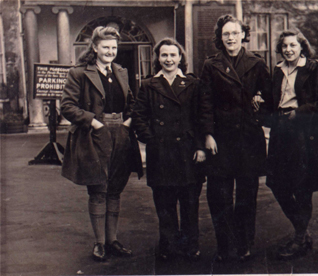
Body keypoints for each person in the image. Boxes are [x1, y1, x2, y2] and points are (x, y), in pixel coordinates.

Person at [61, 26, 143, 261]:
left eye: (114, 48)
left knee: (115, 190)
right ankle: (99, 244)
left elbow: (132, 102)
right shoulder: (79, 73)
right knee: (98, 190)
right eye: (105, 47)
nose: (110, 51)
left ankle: (112, 241)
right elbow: (67, 106)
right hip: (94, 136)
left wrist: (128, 122)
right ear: (95, 48)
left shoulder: (121, 71)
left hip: (121, 135)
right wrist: (94, 123)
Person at [200, 14, 272, 262]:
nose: (231, 38)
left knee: (246, 196)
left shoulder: (257, 63)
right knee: (219, 196)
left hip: (248, 139)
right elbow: (205, 102)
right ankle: (224, 246)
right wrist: (208, 134)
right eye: (226, 34)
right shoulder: (211, 65)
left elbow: (269, 97)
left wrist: (259, 102)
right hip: (220, 139)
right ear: (220, 38)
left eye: (235, 33)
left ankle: (244, 244)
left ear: (243, 35)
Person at [132, 38, 206, 261]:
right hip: (161, 153)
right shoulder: (148, 85)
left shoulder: (193, 84)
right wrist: (152, 140)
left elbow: (201, 118)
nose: (168, 59)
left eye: (173, 55)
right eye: (164, 55)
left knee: (190, 204)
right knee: (164, 204)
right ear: (158, 58)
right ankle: (168, 246)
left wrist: (201, 147)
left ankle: (191, 245)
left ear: (180, 57)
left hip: (188, 152)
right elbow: (138, 116)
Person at [265, 29, 318, 260]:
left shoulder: (314, 69)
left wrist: (298, 113)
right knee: (277, 183)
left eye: (293, 45)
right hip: (280, 131)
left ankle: (299, 239)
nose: (288, 50)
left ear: (302, 46)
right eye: (284, 46)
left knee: (301, 187)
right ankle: (302, 232)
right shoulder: (277, 71)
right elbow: (270, 100)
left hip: (303, 132)